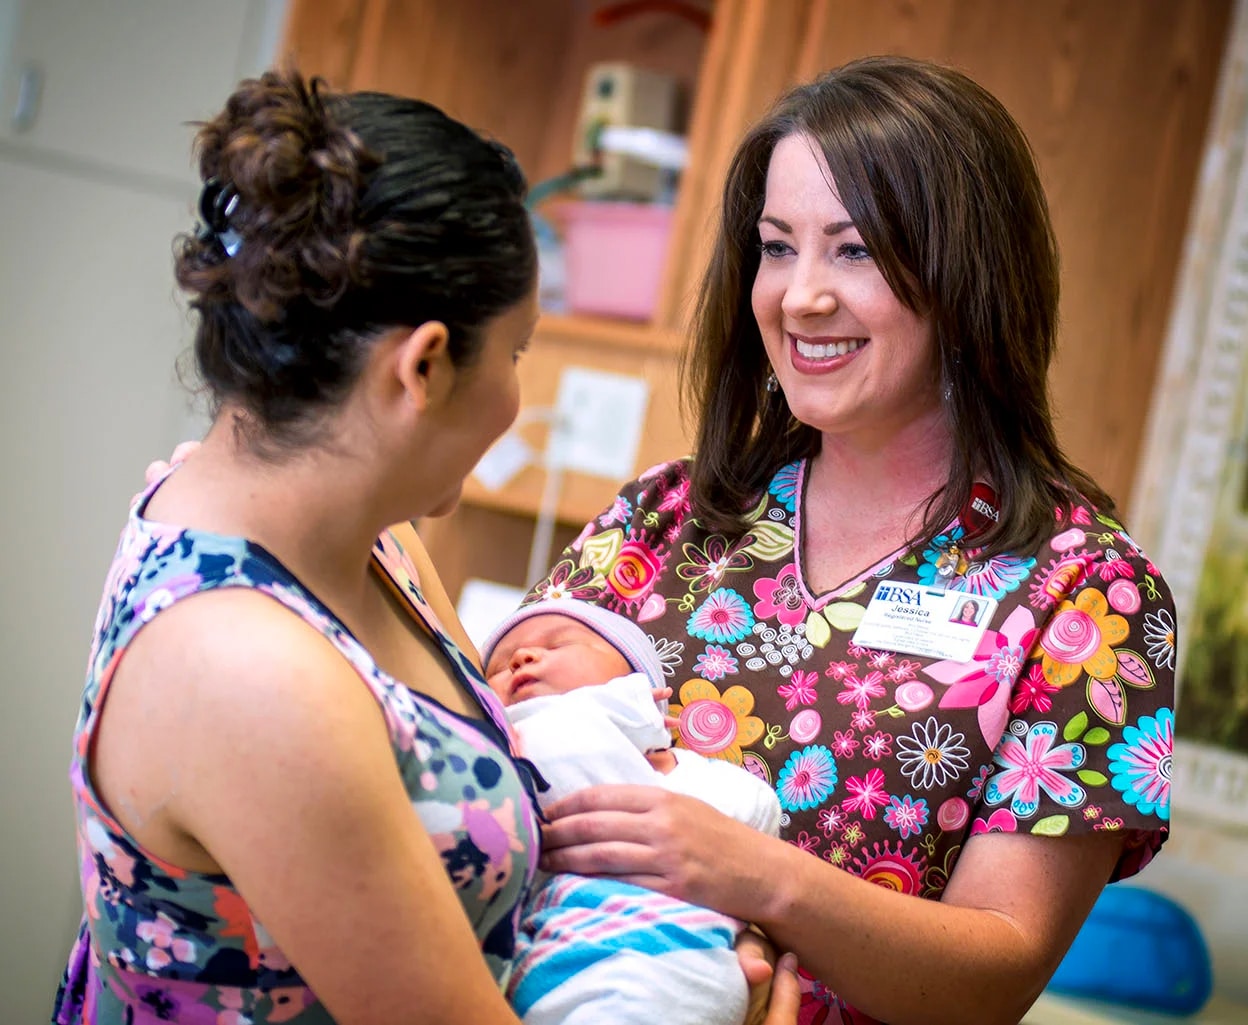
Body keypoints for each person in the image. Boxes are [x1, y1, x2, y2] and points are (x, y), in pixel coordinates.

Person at [55, 69, 798, 1025]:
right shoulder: (252, 677)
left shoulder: (353, 535)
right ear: (426, 364)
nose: (516, 394)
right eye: (518, 353)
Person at [524, 56, 1181, 1025]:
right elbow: (512, 752)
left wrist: (759, 877)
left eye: (855, 250)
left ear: (968, 275)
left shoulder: (1086, 595)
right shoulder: (665, 521)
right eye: (778, 247)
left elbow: (996, 966)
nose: (799, 297)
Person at [478, 600, 783, 1025]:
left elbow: (755, 820)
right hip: (556, 953)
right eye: (495, 667)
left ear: (641, 686)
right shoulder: (511, 741)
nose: (521, 658)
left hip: (684, 954)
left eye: (559, 643)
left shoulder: (705, 778)